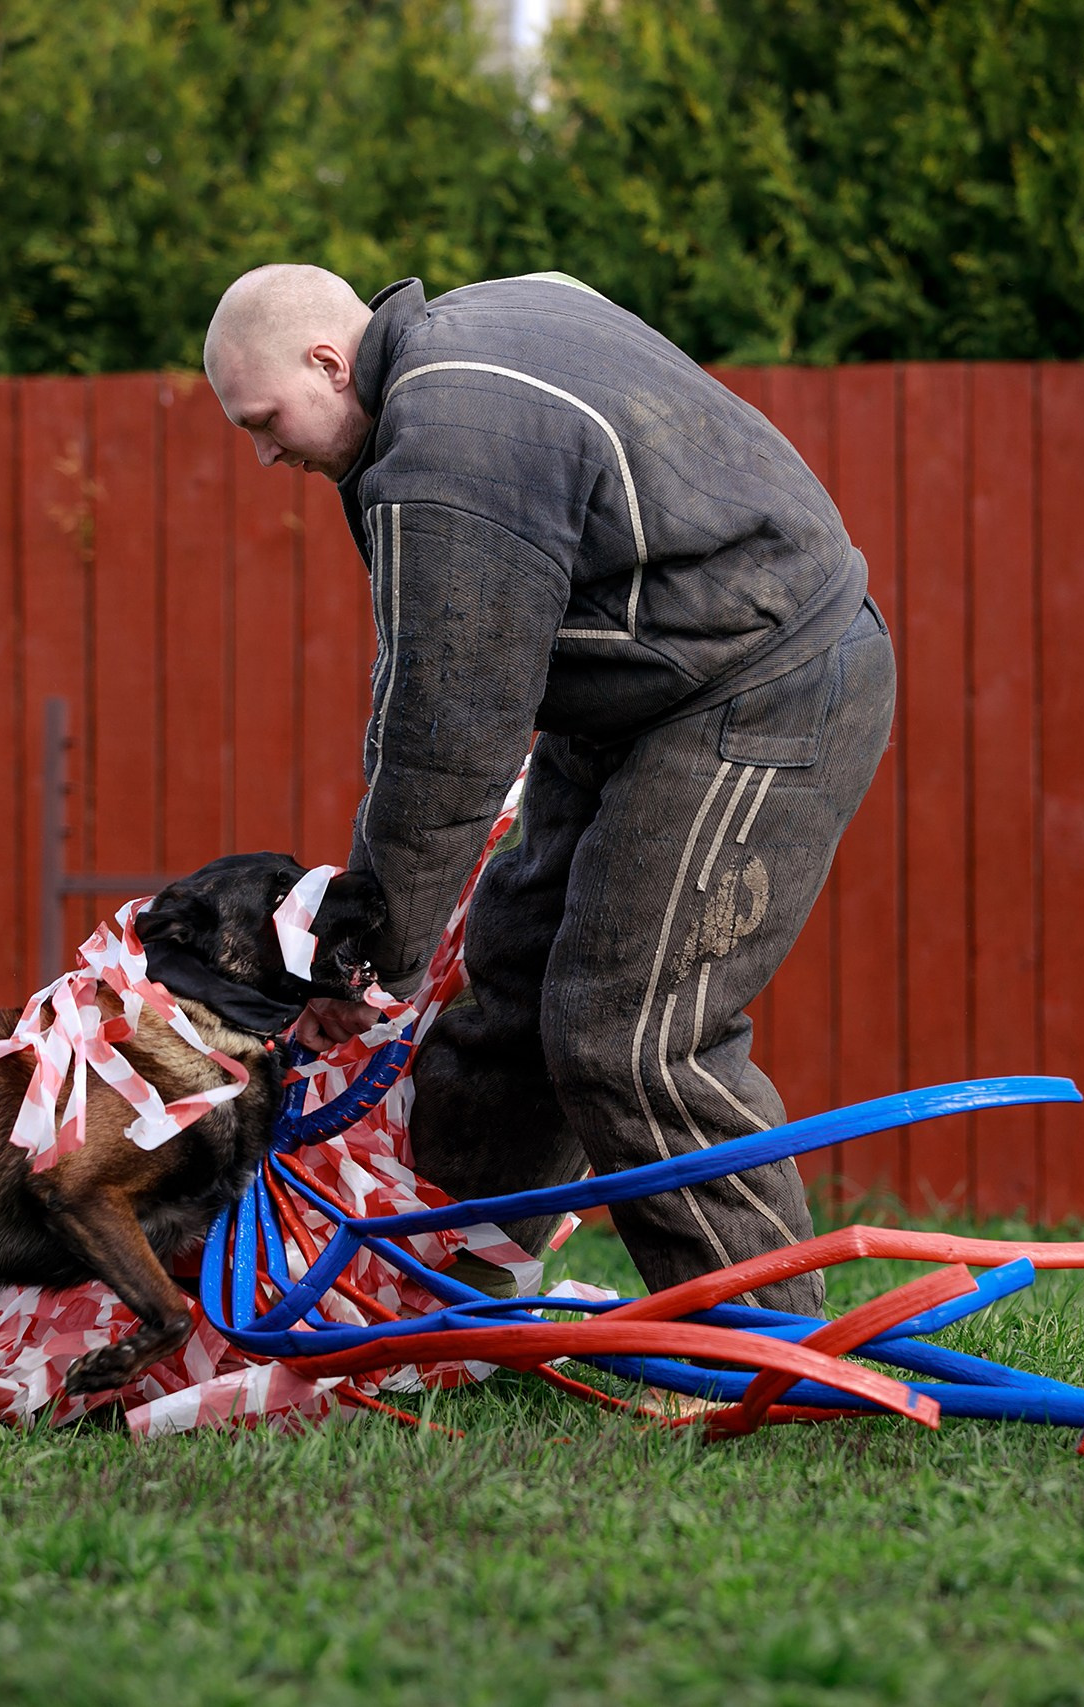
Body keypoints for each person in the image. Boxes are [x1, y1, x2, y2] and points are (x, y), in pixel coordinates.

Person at [202, 265, 893, 1315]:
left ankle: (767, 1348)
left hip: (762, 684)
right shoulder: (482, 323)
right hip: (641, 687)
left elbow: (447, 741)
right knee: (514, 978)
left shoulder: (446, 444)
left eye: (264, 419)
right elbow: (440, 686)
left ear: (330, 363)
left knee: (631, 1030)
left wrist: (365, 954)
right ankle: (445, 1290)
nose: (264, 454)